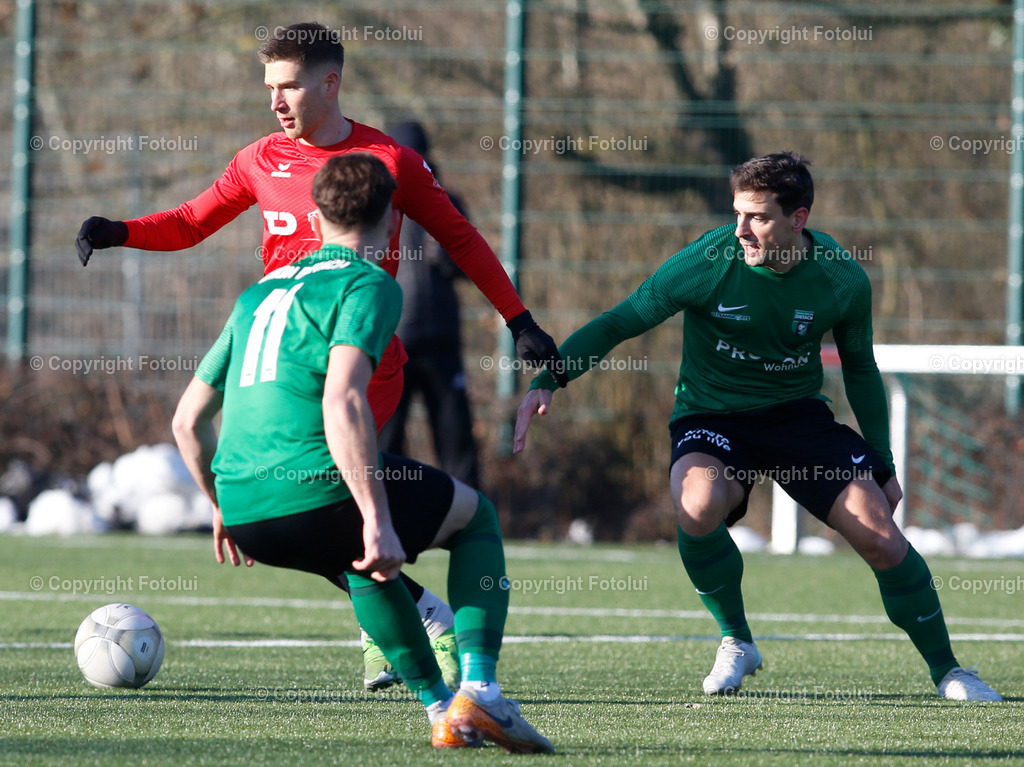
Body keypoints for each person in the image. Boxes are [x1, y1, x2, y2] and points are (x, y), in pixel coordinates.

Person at [75, 21, 566, 691]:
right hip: (279, 364)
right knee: (336, 508)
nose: (276, 101)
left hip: (363, 363)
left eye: (290, 86)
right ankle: (418, 624)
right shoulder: (258, 159)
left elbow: (458, 234)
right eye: (269, 86)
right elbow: (192, 222)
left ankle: (404, 636)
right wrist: (119, 232)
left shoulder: (387, 162)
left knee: (347, 501)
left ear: (330, 82)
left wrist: (519, 318)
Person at [514, 151, 1002, 702]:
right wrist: (548, 381)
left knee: (883, 538)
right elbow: (621, 321)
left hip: (796, 420)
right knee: (697, 507)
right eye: (737, 214)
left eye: (759, 218)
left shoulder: (841, 279)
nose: (741, 230)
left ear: (799, 219)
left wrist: (882, 463)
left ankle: (950, 670)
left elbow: (861, 369)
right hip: (712, 417)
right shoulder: (708, 260)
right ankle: (736, 640)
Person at [171, 153, 554, 753]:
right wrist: (377, 518)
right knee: (475, 517)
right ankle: (481, 689)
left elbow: (187, 420)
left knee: (361, 561)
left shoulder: (257, 294)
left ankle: (439, 710)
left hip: (244, 514)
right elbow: (344, 400)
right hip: (312, 490)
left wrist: (220, 500)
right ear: (392, 223)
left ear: (315, 219)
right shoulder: (368, 284)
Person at [379, 121, 480, 488]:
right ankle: (469, 523)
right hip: (441, 336)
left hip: (392, 336)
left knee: (385, 442)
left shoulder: (375, 203)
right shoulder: (448, 201)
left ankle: (382, 519)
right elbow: (463, 264)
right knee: (455, 442)